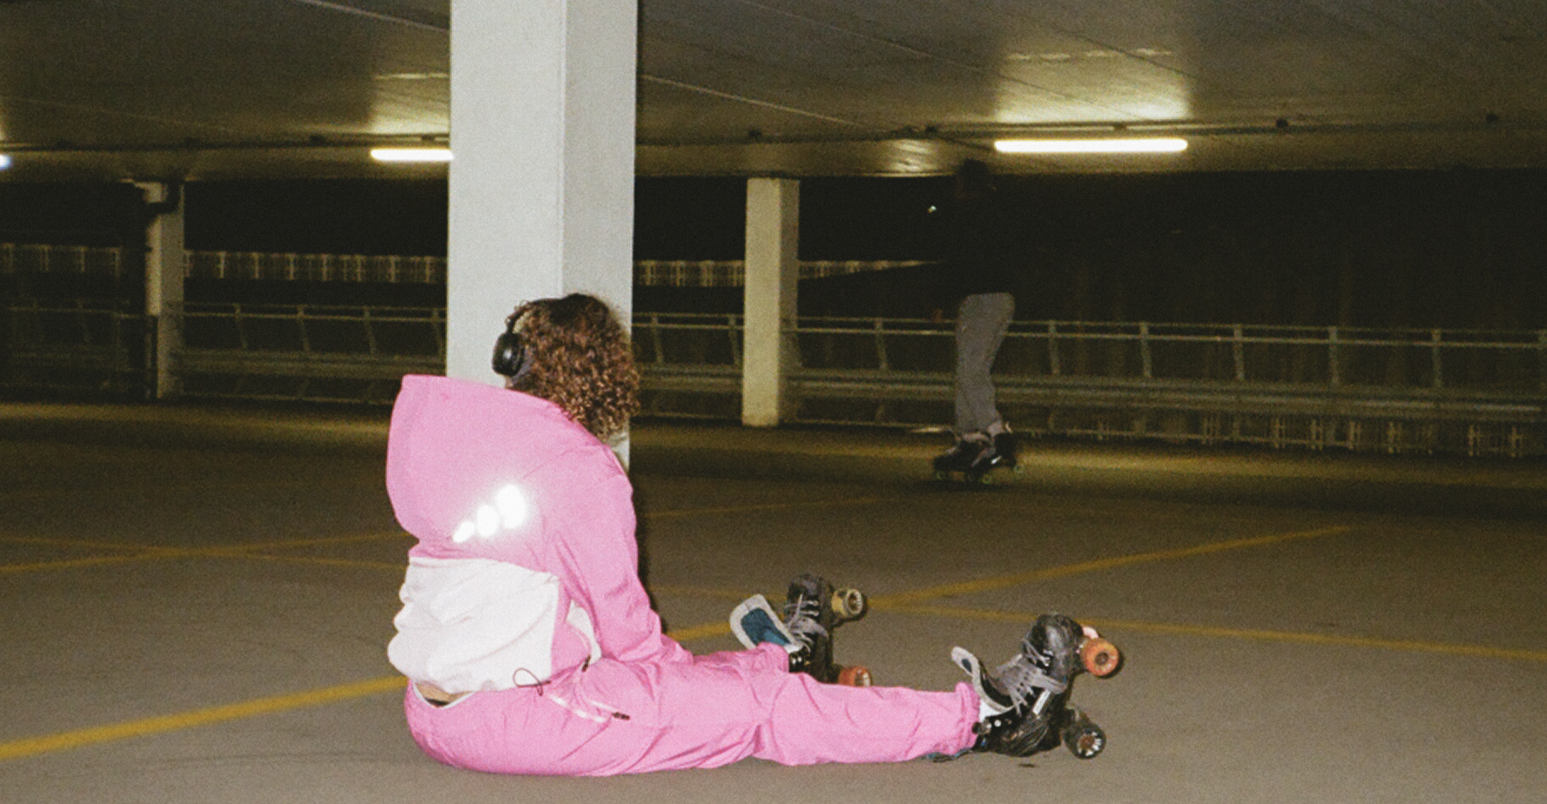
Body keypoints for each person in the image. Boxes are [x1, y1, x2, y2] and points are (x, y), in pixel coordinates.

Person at [383, 292, 1099, 776]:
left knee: (701, 682)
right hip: (520, 717)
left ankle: (781, 660)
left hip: (434, 708)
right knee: (766, 713)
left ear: (517, 360)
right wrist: (722, 684)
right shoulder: (575, 467)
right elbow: (630, 640)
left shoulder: (458, 441)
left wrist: (717, 671)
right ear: (606, 376)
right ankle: (990, 719)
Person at [929, 158, 1024, 480]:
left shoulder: (968, 215)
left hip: (981, 300)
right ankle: (970, 436)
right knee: (970, 368)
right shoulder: (1001, 211)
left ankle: (996, 432)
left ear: (964, 184)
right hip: (1002, 299)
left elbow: (958, 261)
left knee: (969, 368)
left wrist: (942, 301)